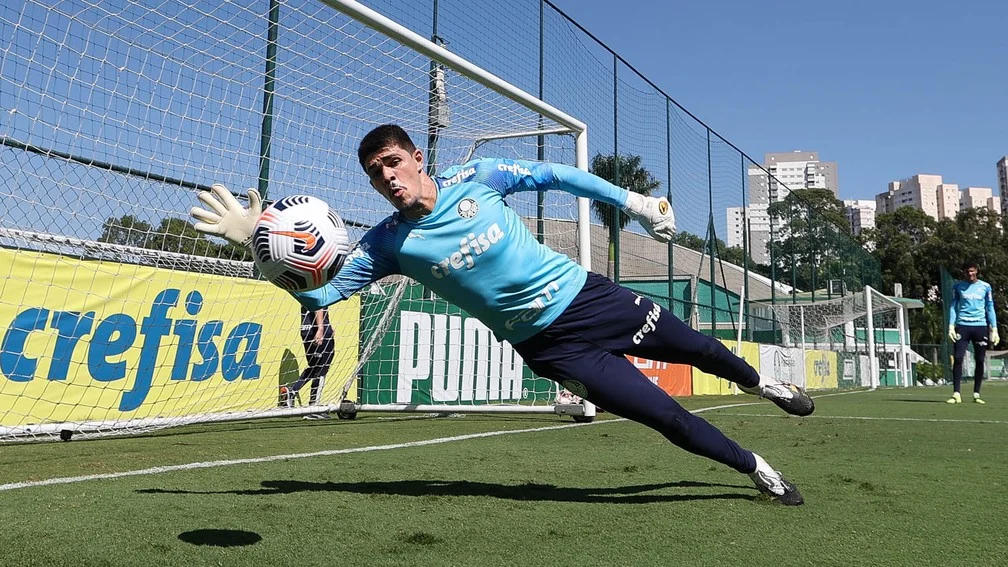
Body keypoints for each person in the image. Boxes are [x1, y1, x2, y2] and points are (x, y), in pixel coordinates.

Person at [190, 124, 814, 505]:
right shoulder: (386, 244)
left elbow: (557, 175)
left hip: (593, 300)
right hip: (553, 348)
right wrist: (261, 248)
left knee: (704, 352)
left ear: (413, 158)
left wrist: (636, 201)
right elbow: (321, 296)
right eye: (375, 175)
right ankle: (756, 468)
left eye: (392, 164)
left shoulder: (479, 177)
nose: (386, 179)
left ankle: (764, 383)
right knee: (664, 417)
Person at [947, 261, 999, 404]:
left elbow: (990, 307)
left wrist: (994, 329)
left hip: (980, 326)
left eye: (972, 271)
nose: (970, 274)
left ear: (976, 271)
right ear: (963, 272)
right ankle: (956, 393)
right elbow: (953, 306)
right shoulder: (958, 287)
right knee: (958, 358)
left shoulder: (985, 287)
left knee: (980, 359)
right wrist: (951, 326)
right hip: (962, 326)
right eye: (967, 271)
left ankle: (976, 393)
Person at [280, 307, 335, 418]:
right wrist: (321, 328)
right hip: (317, 329)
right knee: (321, 367)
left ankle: (291, 391)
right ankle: (314, 407)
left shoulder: (304, 289)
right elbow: (317, 304)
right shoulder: (318, 289)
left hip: (306, 329)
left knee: (314, 366)